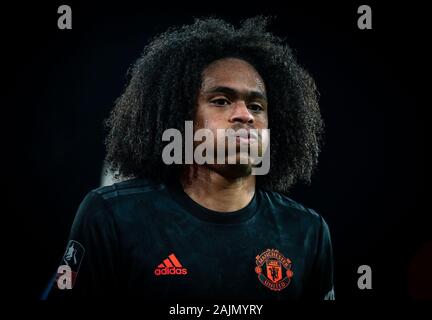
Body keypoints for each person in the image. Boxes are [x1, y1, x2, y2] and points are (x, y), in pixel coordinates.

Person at [47, 16, 334, 300]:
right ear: (180, 115)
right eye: (221, 101)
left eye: (256, 106)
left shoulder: (307, 232)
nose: (244, 115)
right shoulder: (112, 217)